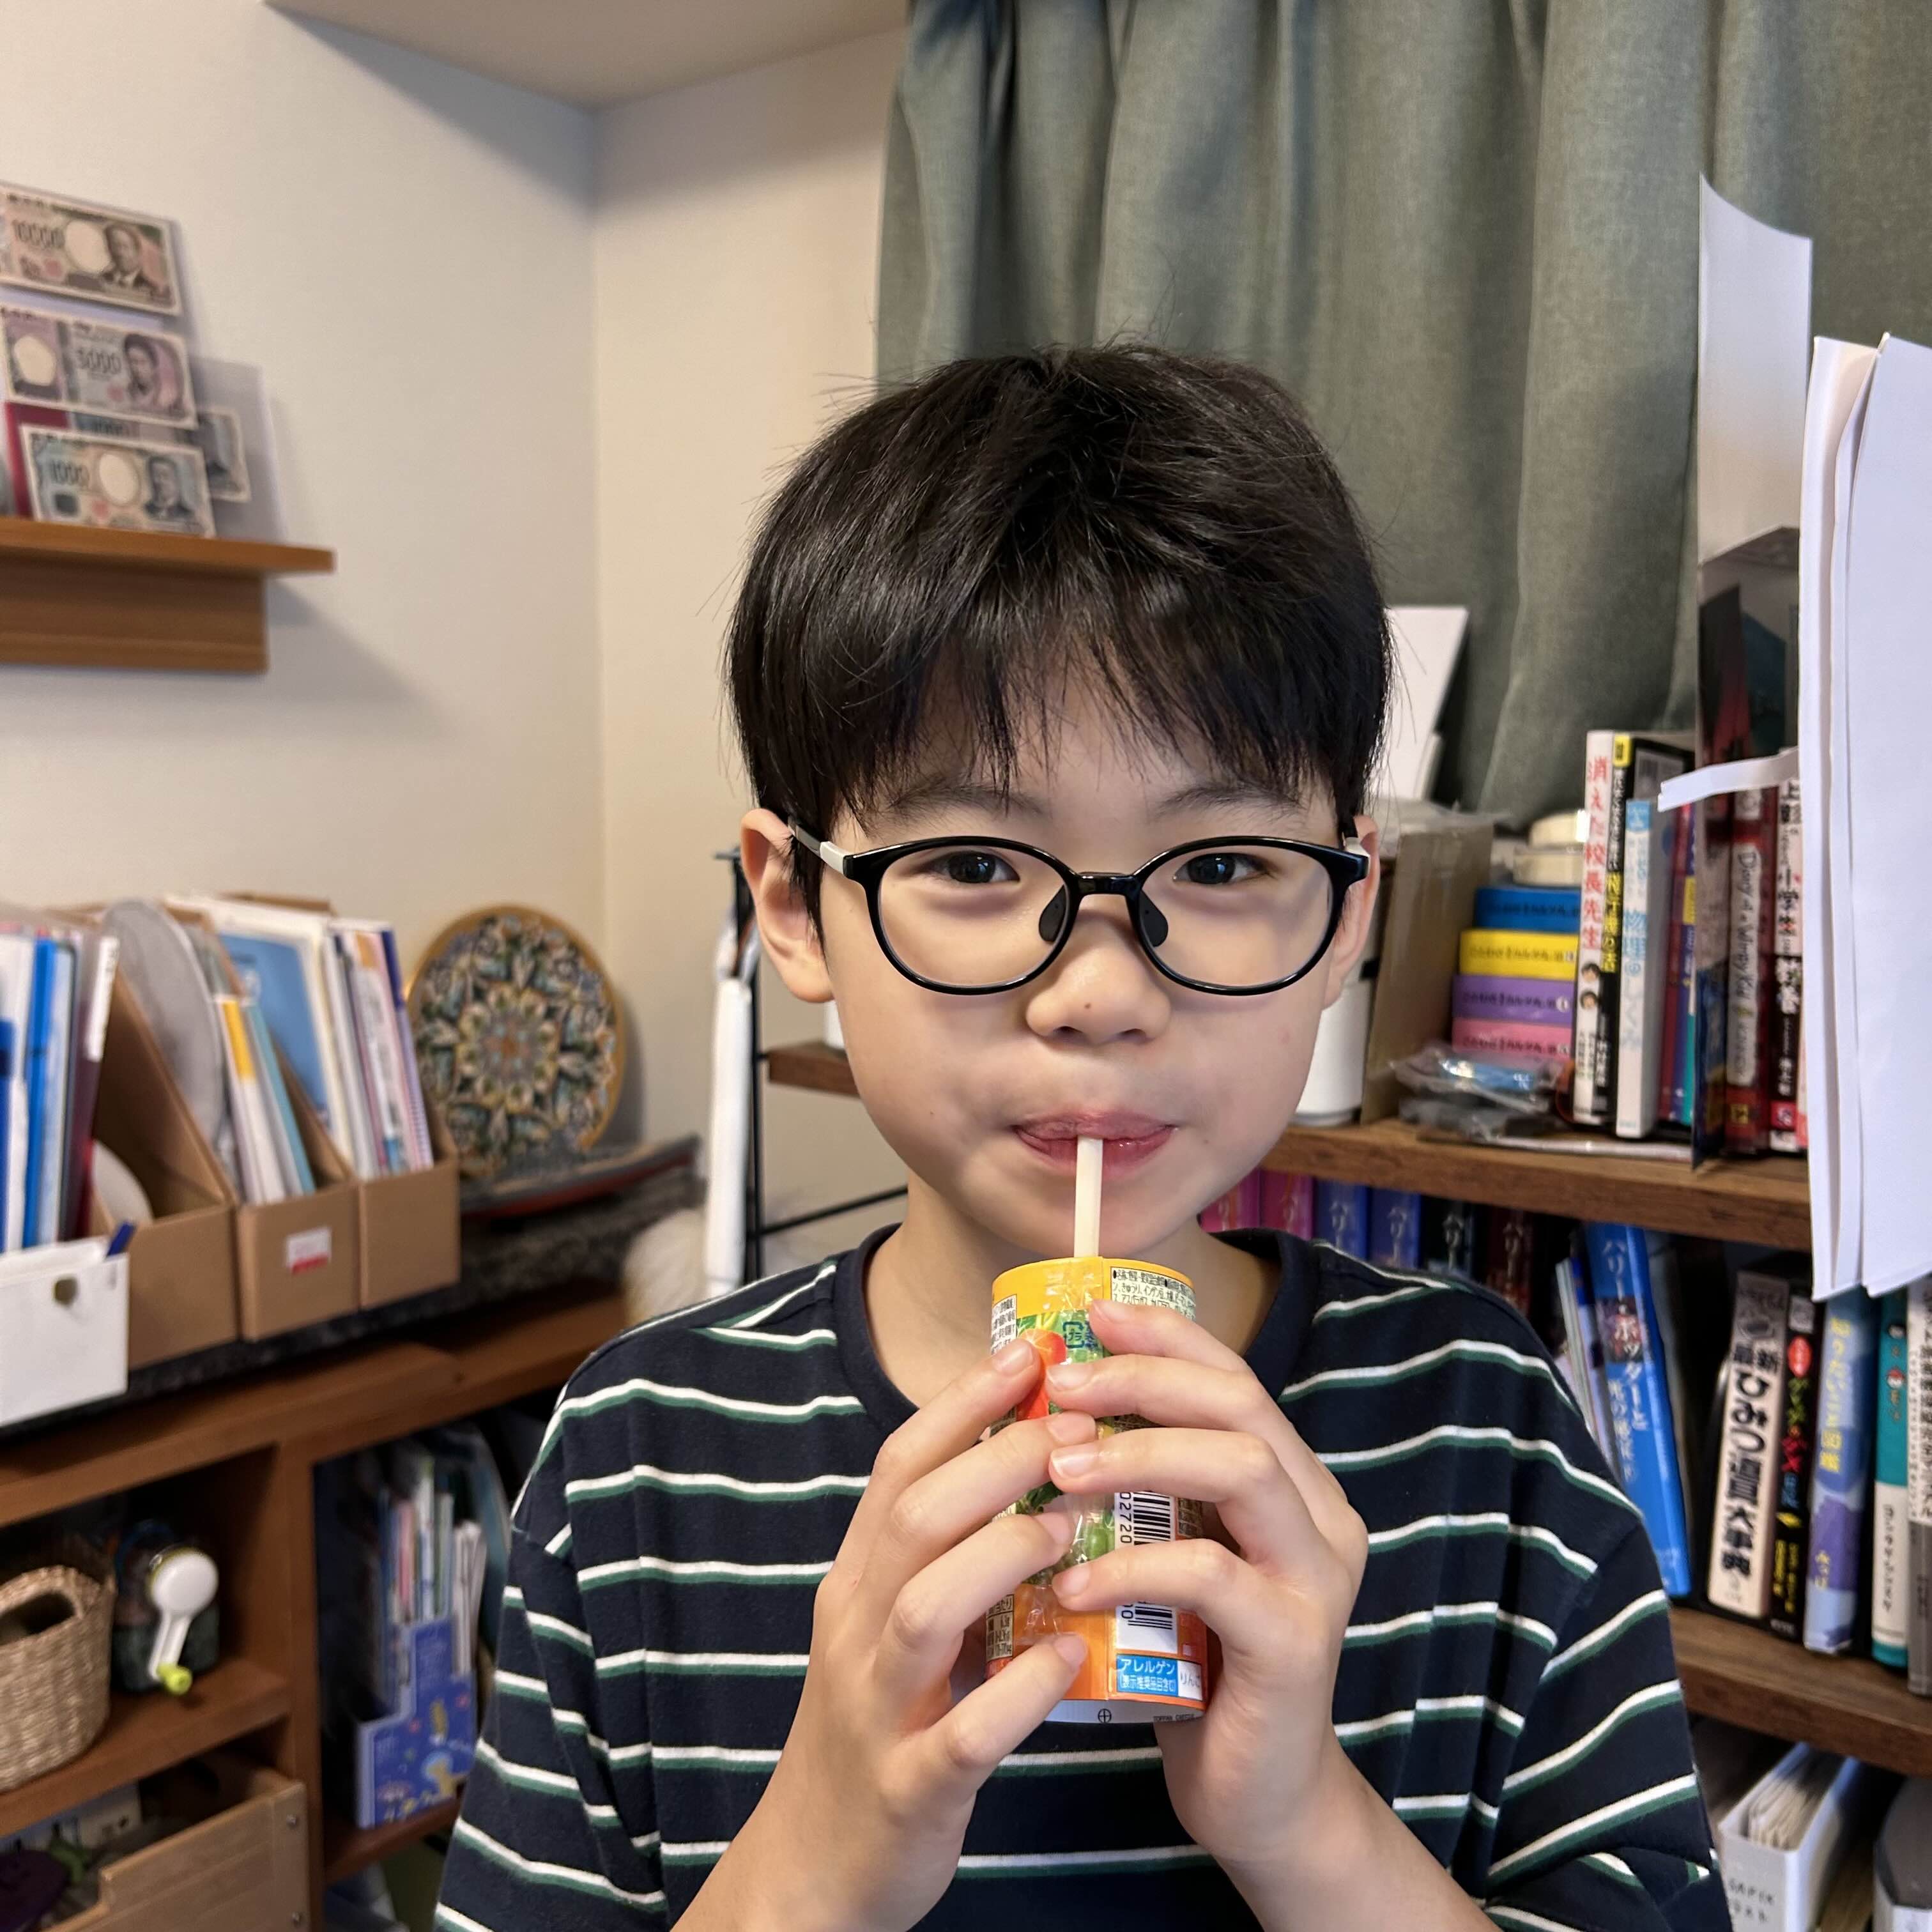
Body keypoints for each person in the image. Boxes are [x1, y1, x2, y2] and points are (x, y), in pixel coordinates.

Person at [437, 347, 1725, 1931]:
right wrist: (817, 1858)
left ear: (1348, 915)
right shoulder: (637, 1457)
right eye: (977, 863)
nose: (1102, 993)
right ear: (797, 907)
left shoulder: (1488, 1430)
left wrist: (1306, 1826)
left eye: (1225, 863)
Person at [100, 222, 164, 302]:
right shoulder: (101, 280)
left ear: (138, 251)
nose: (120, 253)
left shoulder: (152, 290)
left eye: (126, 247)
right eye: (115, 246)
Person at [141, 454, 198, 527]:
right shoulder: (146, 510)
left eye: (165, 475)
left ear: (177, 480)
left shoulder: (187, 514)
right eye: (155, 475)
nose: (159, 481)